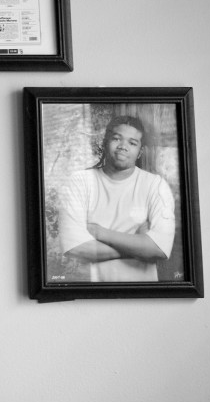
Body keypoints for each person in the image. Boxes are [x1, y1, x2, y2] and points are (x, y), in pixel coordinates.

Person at [58, 115, 176, 282]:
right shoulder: (80, 182)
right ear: (105, 142)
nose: (123, 147)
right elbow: (74, 248)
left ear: (140, 152)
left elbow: (159, 249)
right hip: (91, 292)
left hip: (142, 293)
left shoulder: (155, 185)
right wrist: (141, 246)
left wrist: (99, 232)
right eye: (116, 139)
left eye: (132, 143)